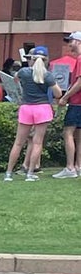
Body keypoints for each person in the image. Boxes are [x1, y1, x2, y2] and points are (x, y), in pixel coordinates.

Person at [5, 47, 61, 182]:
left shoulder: (24, 72)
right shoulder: (47, 75)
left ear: (32, 59)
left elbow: (15, 79)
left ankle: (8, 173)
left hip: (26, 107)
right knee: (37, 143)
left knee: (18, 142)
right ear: (46, 60)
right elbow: (58, 93)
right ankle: (30, 173)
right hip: (42, 108)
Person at [57, 32, 81, 179]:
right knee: (79, 136)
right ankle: (78, 166)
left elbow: (79, 83)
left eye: (70, 41)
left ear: (78, 42)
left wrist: (65, 97)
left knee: (68, 132)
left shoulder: (80, 59)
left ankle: (70, 167)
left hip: (77, 103)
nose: (68, 44)